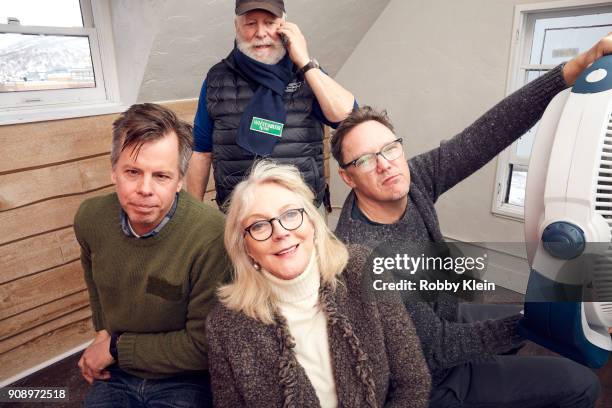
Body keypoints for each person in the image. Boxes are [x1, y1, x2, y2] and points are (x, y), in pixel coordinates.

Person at [330, 35, 612, 408]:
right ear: (347, 177)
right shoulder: (362, 254)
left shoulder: (413, 180)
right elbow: (440, 349)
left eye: (389, 149)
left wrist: (572, 69)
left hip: (444, 315)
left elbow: (489, 133)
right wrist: (545, 322)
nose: (384, 164)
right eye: (365, 160)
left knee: (534, 320)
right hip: (430, 376)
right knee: (580, 384)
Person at [205, 160, 431, 407]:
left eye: (290, 214)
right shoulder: (225, 326)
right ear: (246, 247)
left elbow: (413, 381)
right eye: (259, 225)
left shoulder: (362, 268)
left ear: (312, 222)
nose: (280, 232)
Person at [74, 103, 230, 407]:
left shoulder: (211, 237)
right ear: (113, 171)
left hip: (185, 376)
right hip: (117, 373)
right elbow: (95, 284)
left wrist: (116, 347)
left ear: (180, 180)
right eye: (132, 172)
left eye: (161, 176)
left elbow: (203, 346)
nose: (145, 189)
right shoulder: (90, 218)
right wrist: (103, 332)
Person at [186, 0, 355, 209]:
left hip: (304, 210)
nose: (260, 32)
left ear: (285, 25)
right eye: (250, 23)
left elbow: (349, 117)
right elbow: (201, 151)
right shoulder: (216, 78)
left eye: (269, 22)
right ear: (236, 26)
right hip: (240, 213)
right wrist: (195, 212)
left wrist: (303, 60)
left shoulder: (306, 73)